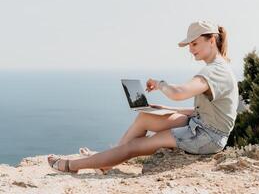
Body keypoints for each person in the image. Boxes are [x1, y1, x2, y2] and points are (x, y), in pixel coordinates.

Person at [48, 20, 239, 173]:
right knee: (145, 117)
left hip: (206, 137)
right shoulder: (217, 68)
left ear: (212, 40)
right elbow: (206, 111)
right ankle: (108, 159)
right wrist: (167, 110)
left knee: (135, 146)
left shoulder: (216, 71)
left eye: (195, 43)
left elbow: (179, 93)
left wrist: (160, 84)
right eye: (189, 44)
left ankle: (72, 166)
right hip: (199, 125)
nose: (190, 49)